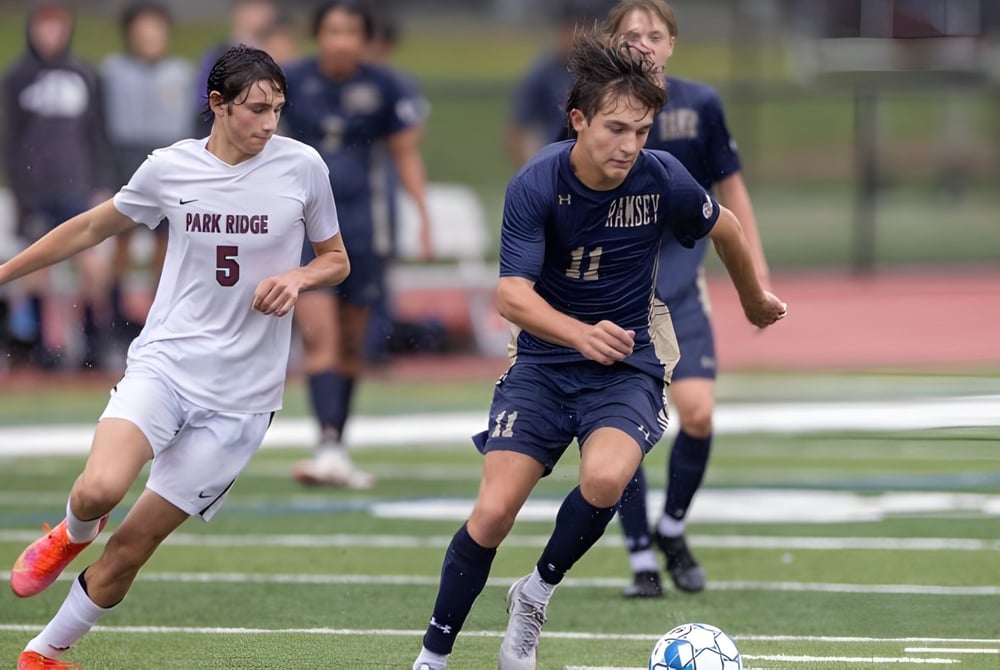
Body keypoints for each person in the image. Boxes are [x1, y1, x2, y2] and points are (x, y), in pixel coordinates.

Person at [410, 29, 786, 670]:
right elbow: (510, 296)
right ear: (578, 119)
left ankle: (534, 596)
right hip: (542, 365)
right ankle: (433, 656)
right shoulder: (536, 183)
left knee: (607, 477)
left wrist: (754, 298)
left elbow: (724, 225)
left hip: (627, 365)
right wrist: (580, 333)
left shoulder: (660, 176)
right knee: (494, 513)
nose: (629, 145)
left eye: (641, 130)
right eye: (616, 128)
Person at [4, 45, 349, 670]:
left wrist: (300, 277)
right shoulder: (169, 168)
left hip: (243, 399)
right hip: (167, 364)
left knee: (133, 547)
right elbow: (89, 228)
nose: (269, 123)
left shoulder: (304, 167)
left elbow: (336, 259)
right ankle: (70, 533)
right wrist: (5, 272)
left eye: (278, 109)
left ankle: (44, 654)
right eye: (255, 109)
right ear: (216, 105)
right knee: (98, 490)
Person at [606, 0, 773, 599]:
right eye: (631, 34)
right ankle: (639, 560)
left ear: (672, 44)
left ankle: (671, 528)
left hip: (679, 288)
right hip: (615, 295)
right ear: (612, 42)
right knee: (623, 430)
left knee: (697, 413)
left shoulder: (700, 104)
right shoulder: (594, 108)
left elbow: (730, 190)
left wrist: (754, 270)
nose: (644, 43)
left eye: (655, 34)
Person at [281, 0, 432, 489]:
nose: (341, 40)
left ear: (364, 39)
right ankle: (326, 442)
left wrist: (423, 216)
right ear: (318, 35)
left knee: (351, 346)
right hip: (306, 231)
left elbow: (406, 154)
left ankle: (335, 447)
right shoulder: (292, 82)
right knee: (318, 336)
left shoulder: (386, 86)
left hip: (366, 231)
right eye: (332, 30)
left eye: (350, 31)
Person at [2, 1, 114, 370]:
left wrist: (100, 183)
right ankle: (41, 346)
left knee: (90, 265)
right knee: (37, 266)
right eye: (44, 27)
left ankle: (96, 338)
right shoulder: (18, 77)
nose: (51, 35)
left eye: (57, 26)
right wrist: (19, 191)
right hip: (35, 190)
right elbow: (10, 138)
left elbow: (96, 133)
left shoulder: (83, 73)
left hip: (77, 185)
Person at [101, 0, 195, 349]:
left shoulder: (181, 73)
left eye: (156, 29)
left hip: (170, 161)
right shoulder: (113, 72)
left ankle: (160, 320)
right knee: (119, 245)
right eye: (142, 29)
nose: (150, 36)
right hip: (125, 159)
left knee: (167, 248)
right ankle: (111, 321)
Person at [504, 0, 604, 168]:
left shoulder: (605, 69)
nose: (578, 36)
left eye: (585, 29)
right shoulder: (544, 72)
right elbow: (516, 130)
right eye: (572, 28)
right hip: (558, 164)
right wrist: (533, 172)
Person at [194, 0, 278, 135]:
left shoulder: (280, 52)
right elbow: (203, 100)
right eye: (256, 6)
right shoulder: (218, 55)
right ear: (238, 12)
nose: (266, 12)